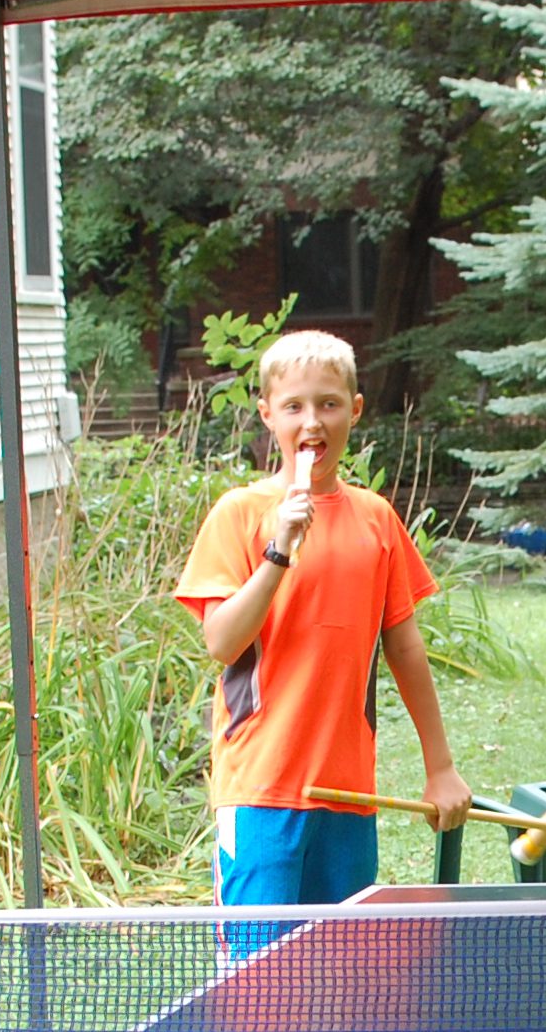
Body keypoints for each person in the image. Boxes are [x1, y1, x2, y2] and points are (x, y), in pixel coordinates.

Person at [175, 329, 469, 907]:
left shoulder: (376, 520)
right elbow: (222, 642)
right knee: (261, 963)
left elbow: (405, 649)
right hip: (260, 791)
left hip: (348, 795)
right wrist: (279, 551)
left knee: (341, 961)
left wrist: (441, 767)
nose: (312, 422)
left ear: (354, 411)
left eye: (328, 404)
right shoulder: (240, 514)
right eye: (294, 407)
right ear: (268, 415)